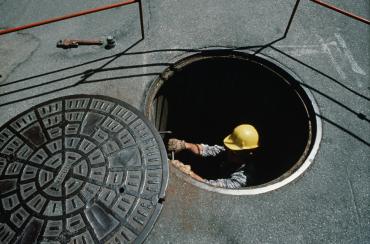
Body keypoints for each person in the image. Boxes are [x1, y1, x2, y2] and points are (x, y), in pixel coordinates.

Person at [168, 124, 259, 189]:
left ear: (247, 153)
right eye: (228, 149)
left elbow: (210, 188)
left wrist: (188, 173)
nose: (228, 152)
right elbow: (208, 150)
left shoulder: (242, 179)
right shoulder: (232, 152)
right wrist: (184, 145)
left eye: (233, 152)